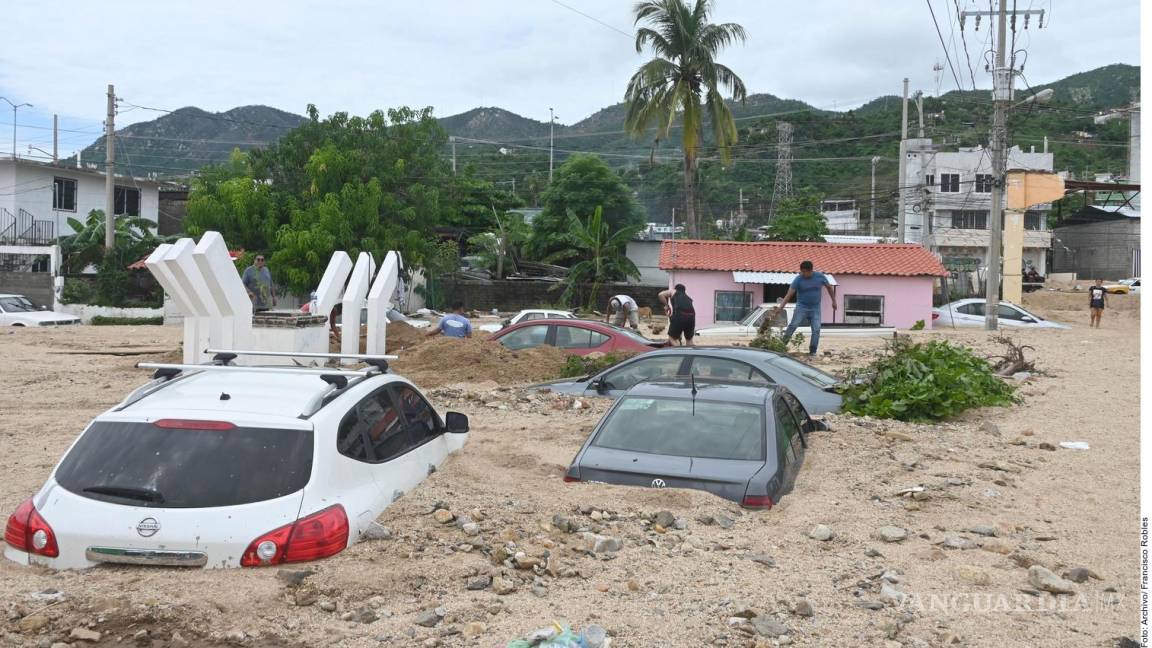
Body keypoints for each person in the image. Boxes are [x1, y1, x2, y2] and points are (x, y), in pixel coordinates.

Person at [770, 260, 837, 357]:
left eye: (805, 272)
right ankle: (781, 346)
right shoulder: (798, 279)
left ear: (810, 271)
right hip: (802, 307)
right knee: (793, 325)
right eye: (801, 271)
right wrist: (780, 307)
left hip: (815, 308)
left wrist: (834, 301)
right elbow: (789, 294)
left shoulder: (820, 277)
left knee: (816, 329)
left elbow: (829, 288)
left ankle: (813, 351)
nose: (803, 274)